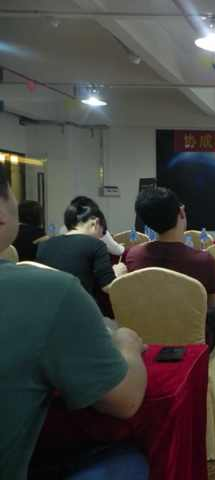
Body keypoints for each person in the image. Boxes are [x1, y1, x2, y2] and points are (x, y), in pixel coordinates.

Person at [0, 167, 148, 479]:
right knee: (130, 462)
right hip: (85, 328)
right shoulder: (54, 290)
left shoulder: (45, 245)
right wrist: (128, 343)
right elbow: (125, 401)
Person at [124, 187, 215, 348]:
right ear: (181, 212)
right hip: (190, 342)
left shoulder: (134, 256)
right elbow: (210, 304)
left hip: (146, 338)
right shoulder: (204, 260)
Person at [37, 201, 117, 296]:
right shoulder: (97, 245)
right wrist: (118, 272)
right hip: (79, 303)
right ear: (95, 223)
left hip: (48, 301)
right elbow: (108, 287)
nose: (100, 237)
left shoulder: (44, 245)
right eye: (102, 232)